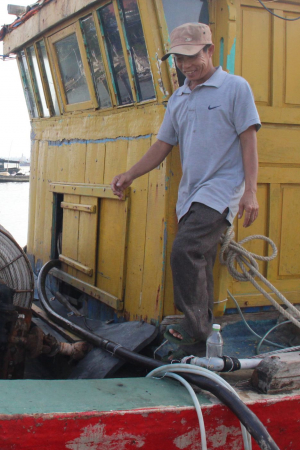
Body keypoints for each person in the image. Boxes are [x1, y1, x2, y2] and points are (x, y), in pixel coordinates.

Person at [110, 22, 261, 357]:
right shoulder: (178, 98)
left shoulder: (235, 88)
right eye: (179, 59)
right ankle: (204, 337)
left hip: (222, 190)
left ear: (209, 50)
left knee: (184, 251)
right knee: (200, 263)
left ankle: (195, 330)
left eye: (192, 57)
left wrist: (251, 191)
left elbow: (249, 141)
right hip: (190, 194)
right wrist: (130, 174)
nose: (186, 65)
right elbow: (163, 145)